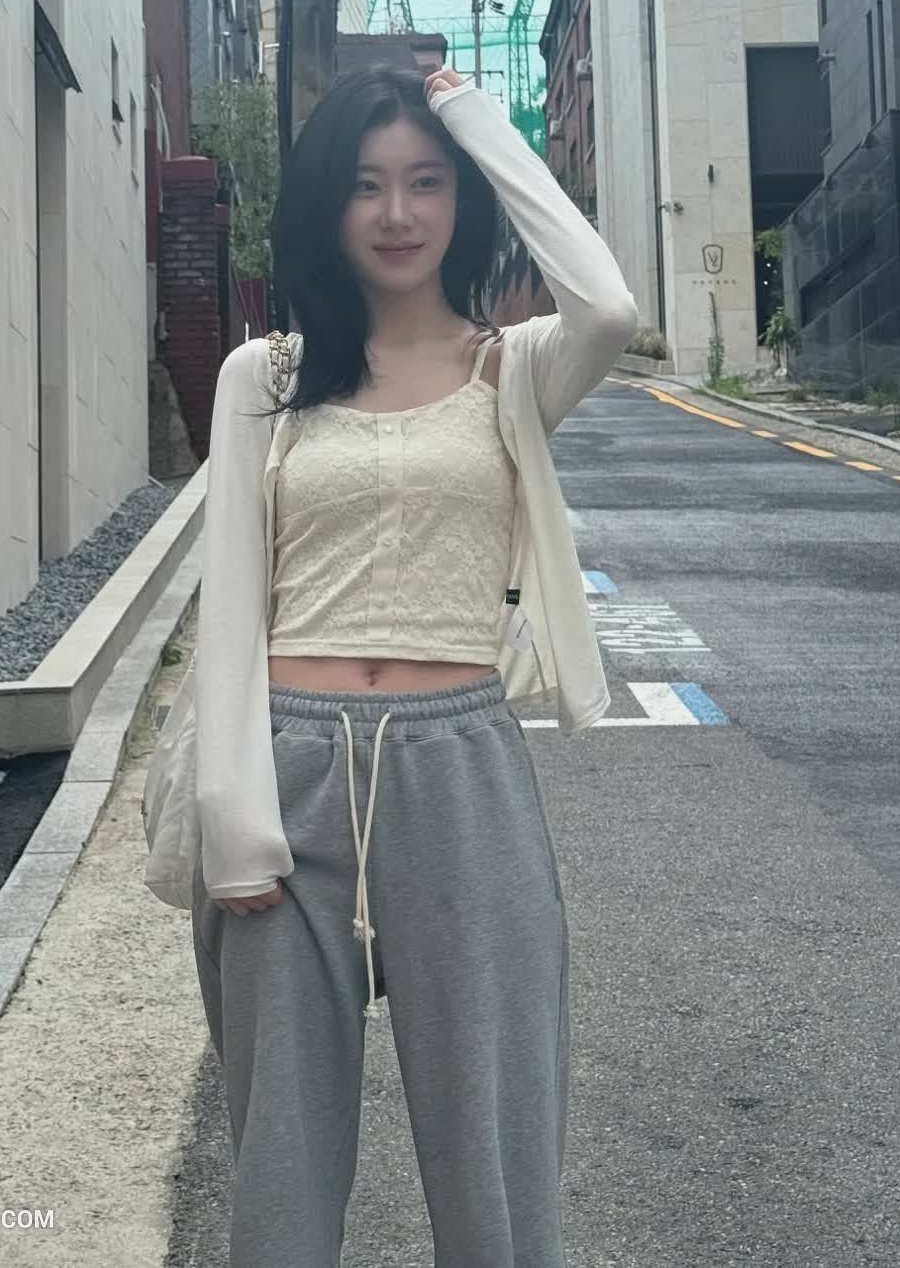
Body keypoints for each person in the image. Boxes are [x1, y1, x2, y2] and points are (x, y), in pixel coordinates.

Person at [190, 63, 638, 1268]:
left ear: (463, 196)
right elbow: (228, 603)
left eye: (426, 182)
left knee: (496, 1156)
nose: (397, 212)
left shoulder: (513, 368)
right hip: (288, 772)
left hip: (462, 770)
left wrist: (477, 117)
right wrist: (230, 817)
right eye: (366, 184)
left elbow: (608, 305)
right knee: (280, 1172)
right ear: (325, 206)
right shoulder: (264, 377)